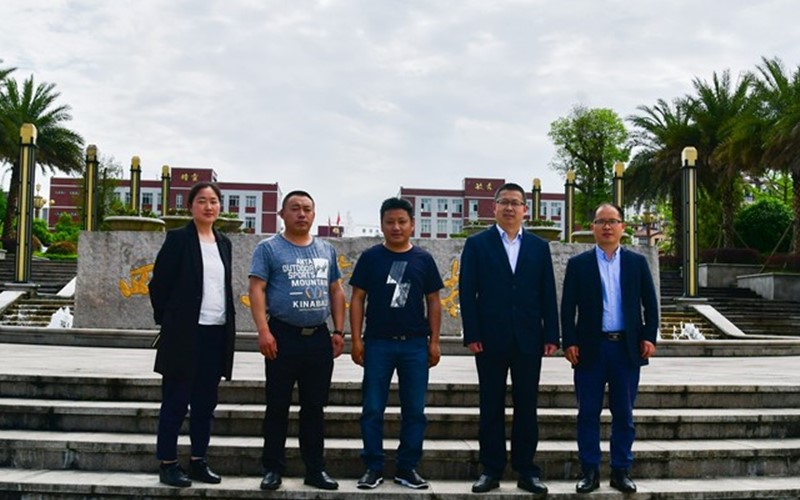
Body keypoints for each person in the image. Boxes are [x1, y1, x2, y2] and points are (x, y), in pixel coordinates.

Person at [458, 182, 559, 496]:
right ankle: (491, 470)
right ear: (495, 207)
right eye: (504, 202)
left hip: (529, 338)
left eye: (516, 203)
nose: (510, 208)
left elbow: (547, 292)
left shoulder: (539, 247)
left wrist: (551, 333)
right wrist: (472, 333)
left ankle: (527, 470)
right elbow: (467, 292)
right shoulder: (477, 244)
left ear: (525, 209)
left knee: (527, 406)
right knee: (491, 405)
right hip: (489, 338)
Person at [248, 190, 346, 491]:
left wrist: (339, 331)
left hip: (318, 338)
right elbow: (256, 289)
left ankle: (315, 469)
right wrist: (263, 331)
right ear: (282, 214)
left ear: (314, 214)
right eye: (294, 208)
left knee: (314, 408)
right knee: (277, 405)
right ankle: (272, 468)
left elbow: (335, 290)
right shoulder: (268, 248)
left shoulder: (326, 249)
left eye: (307, 209)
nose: (301, 214)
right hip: (282, 336)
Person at [560, 203, 659, 494]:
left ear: (622, 227)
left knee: (624, 414)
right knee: (587, 413)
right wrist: (570, 341)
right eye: (601, 221)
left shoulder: (636, 263)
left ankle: (621, 470)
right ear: (593, 227)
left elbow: (650, 304)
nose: (607, 227)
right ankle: (589, 471)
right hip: (590, 349)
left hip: (625, 349)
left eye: (612, 221)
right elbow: (567, 307)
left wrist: (649, 336)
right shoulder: (579, 265)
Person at [349, 197, 443, 491]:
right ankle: (373, 467)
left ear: (412, 224)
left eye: (402, 221)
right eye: (390, 222)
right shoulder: (370, 258)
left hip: (414, 344)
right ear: (381, 225)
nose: (396, 227)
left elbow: (433, 301)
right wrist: (356, 339)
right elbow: (357, 299)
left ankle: (407, 467)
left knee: (414, 410)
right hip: (378, 343)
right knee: (372, 408)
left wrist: (435, 341)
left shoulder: (423, 259)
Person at [148, 181, 237, 488]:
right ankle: (168, 463)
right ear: (190, 206)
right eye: (202, 201)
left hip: (216, 332)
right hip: (184, 335)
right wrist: (171, 321)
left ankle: (199, 460)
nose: (208, 206)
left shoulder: (224, 243)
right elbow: (158, 285)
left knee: (205, 403)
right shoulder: (178, 239)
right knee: (176, 400)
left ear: (220, 207)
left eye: (214, 201)